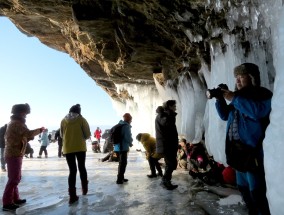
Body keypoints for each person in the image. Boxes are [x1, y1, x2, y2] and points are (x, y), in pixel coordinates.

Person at [214, 63, 272, 215]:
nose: (238, 81)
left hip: (253, 152)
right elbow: (225, 115)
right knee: (244, 191)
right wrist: (220, 100)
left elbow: (257, 112)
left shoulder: (262, 94)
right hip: (237, 152)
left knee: (257, 192)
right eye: (236, 78)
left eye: (241, 77)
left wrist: (234, 98)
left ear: (252, 77)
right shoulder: (238, 98)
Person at [2, 103, 44, 211]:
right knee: (13, 179)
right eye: (25, 113)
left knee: (16, 178)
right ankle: (7, 203)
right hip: (13, 154)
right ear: (21, 112)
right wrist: (40, 130)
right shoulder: (17, 123)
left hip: (15, 153)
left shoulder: (15, 122)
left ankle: (15, 198)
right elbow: (28, 133)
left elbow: (23, 136)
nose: (26, 115)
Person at [60, 104, 91, 204]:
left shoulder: (63, 120)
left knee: (72, 171)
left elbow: (61, 135)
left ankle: (72, 196)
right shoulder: (81, 119)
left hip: (68, 148)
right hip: (80, 147)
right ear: (79, 111)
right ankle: (84, 190)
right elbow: (87, 134)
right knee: (82, 167)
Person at [155, 100, 179, 190]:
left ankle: (166, 180)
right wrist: (171, 115)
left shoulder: (165, 115)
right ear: (169, 106)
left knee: (171, 164)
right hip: (166, 144)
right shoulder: (163, 116)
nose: (175, 108)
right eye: (174, 106)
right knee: (170, 164)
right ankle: (165, 181)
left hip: (169, 144)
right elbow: (166, 125)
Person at [114, 113, 133, 184]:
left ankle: (121, 177)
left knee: (121, 163)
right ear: (128, 119)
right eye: (131, 119)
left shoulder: (120, 124)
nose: (131, 121)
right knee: (123, 163)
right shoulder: (126, 126)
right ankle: (119, 179)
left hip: (117, 147)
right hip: (123, 147)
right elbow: (127, 137)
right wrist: (131, 143)